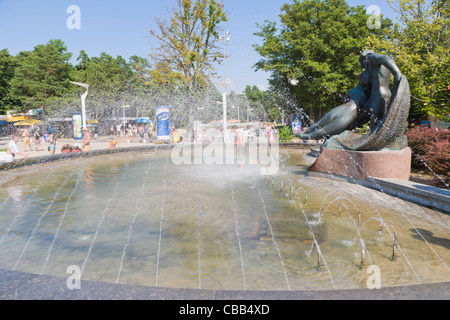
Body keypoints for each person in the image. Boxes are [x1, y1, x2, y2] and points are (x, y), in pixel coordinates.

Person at [296, 50, 402, 140]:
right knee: (333, 116)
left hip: (379, 97)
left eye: (363, 63)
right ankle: (308, 133)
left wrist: (397, 73)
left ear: (365, 57)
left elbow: (385, 58)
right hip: (373, 98)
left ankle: (310, 135)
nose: (363, 67)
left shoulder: (372, 58)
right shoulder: (371, 70)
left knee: (374, 130)